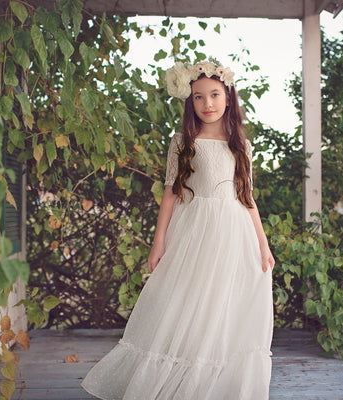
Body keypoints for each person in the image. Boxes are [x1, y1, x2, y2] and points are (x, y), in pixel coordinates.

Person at [81, 58, 275, 399]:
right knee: (190, 300)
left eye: (214, 95)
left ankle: (217, 382)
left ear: (228, 97)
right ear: (190, 101)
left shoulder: (240, 145)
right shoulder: (183, 141)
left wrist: (263, 243)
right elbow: (170, 194)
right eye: (198, 97)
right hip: (197, 232)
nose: (207, 104)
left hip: (235, 233)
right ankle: (180, 377)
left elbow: (247, 198)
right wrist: (159, 243)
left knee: (224, 304)